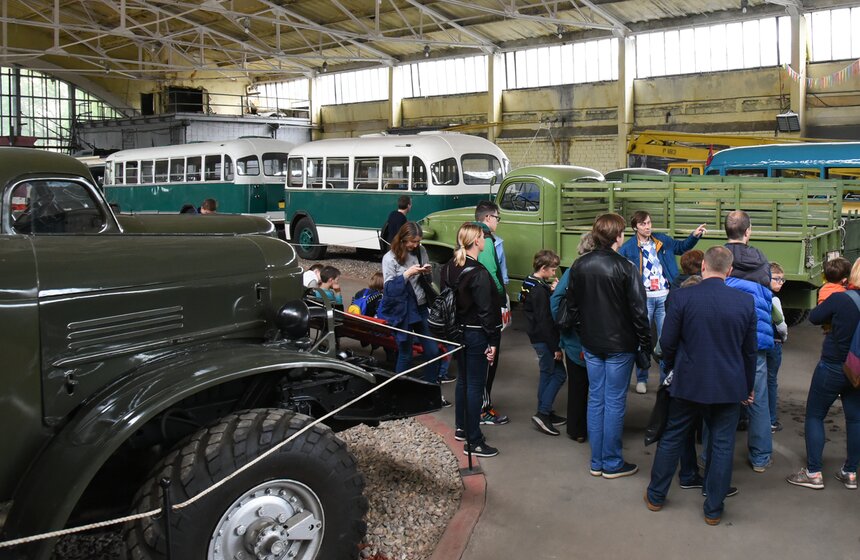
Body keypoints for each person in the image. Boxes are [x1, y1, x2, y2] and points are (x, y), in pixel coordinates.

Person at [645, 246, 757, 526]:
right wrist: (747, 386)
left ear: (704, 266)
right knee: (721, 445)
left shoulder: (682, 297)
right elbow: (749, 352)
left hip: (689, 382)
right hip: (729, 386)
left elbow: (667, 343)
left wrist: (673, 368)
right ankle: (713, 510)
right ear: (729, 271)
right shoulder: (744, 302)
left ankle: (656, 496)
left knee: (672, 437)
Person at [568, 213, 650, 479]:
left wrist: (584, 333)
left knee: (596, 398)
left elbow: (572, 308)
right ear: (618, 236)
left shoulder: (579, 265)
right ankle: (612, 463)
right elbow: (639, 313)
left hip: (591, 343)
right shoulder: (627, 268)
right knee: (614, 402)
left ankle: (596, 461)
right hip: (620, 346)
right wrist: (645, 346)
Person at [787, 258, 860, 491]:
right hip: (857, 370)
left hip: (833, 365)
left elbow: (816, 316)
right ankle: (850, 473)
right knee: (856, 419)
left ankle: (814, 472)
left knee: (815, 415)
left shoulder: (840, 299)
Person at [619, 211, 706, 394]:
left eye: (649, 223)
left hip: (665, 296)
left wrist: (694, 236)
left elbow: (682, 247)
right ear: (635, 227)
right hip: (644, 299)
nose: (648, 227)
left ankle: (664, 379)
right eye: (643, 224)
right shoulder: (627, 248)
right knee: (643, 341)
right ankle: (641, 378)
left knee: (666, 340)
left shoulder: (662, 240)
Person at [441, 223, 502, 457]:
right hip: (476, 333)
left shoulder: (448, 268)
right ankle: (474, 440)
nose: (486, 240)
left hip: (456, 331)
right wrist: (494, 341)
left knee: (463, 382)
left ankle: (461, 427)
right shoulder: (479, 272)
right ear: (476, 240)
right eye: (483, 237)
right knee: (475, 384)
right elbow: (488, 312)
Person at [723, 210, 774, 472]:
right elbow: (766, 299)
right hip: (757, 338)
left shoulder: (718, 257)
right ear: (748, 231)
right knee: (759, 398)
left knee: (721, 398)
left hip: (725, 338)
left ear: (726, 232)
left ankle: (713, 457)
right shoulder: (761, 260)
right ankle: (761, 456)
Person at [378, 222, 441, 387]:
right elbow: (389, 289)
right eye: (412, 241)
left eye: (418, 241)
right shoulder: (389, 258)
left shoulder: (421, 251)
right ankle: (400, 390)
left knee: (433, 351)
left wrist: (426, 273)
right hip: (402, 311)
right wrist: (407, 274)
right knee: (405, 353)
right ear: (403, 239)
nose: (415, 245)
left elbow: (429, 281)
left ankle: (429, 387)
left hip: (420, 307)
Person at [551, 233, 595, 443]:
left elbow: (555, 301)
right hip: (591, 338)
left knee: (577, 385)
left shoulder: (572, 270)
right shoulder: (598, 269)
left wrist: (563, 327)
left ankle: (576, 428)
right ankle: (595, 428)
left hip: (573, 339)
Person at [521, 250, 567, 436]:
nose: (554, 273)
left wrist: (550, 290)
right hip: (544, 339)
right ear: (543, 268)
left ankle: (546, 410)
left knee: (547, 373)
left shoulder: (531, 282)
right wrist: (555, 347)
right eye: (553, 270)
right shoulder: (540, 290)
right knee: (558, 374)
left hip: (536, 336)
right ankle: (543, 413)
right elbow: (545, 320)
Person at [474, 200, 510, 426]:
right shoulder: (485, 242)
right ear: (488, 218)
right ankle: (483, 409)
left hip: (475, 313)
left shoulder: (466, 237)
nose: (498, 222)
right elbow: (493, 278)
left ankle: (475, 407)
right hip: (487, 313)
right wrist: (501, 298)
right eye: (497, 217)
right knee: (488, 361)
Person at [767, 262, 788, 433]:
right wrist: (784, 337)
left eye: (782, 280)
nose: (780, 283)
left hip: (758, 342)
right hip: (774, 342)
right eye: (777, 279)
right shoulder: (774, 299)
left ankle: (744, 417)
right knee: (771, 381)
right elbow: (781, 324)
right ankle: (771, 420)